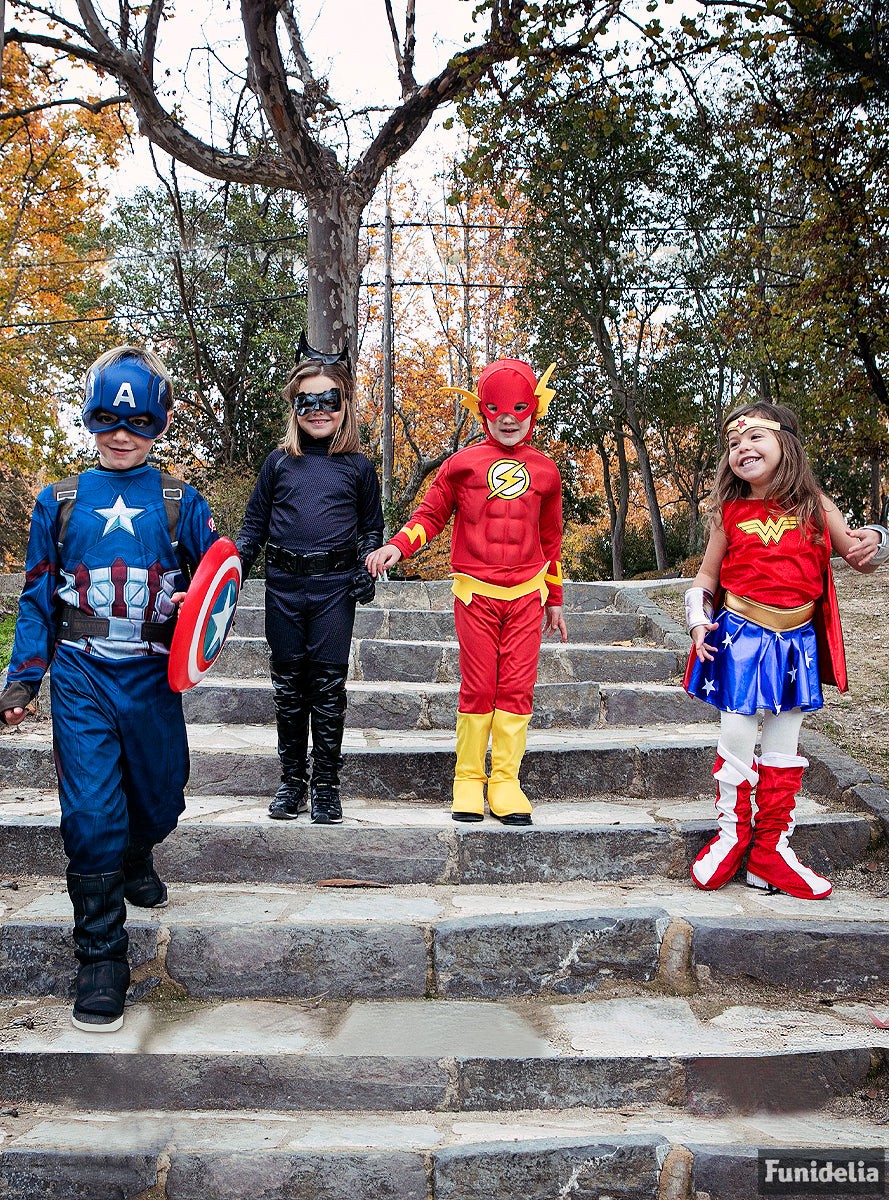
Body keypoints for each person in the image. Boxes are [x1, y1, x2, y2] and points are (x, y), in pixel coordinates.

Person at [0, 346, 220, 1031]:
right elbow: (36, 596)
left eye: (138, 422)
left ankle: (136, 851)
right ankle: (101, 957)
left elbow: (218, 588)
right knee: (91, 816)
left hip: (152, 674)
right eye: (105, 419)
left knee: (161, 798)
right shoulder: (58, 502)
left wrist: (191, 605)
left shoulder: (182, 502)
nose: (120, 435)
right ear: (90, 416)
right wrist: (22, 678)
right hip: (81, 672)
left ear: (162, 420)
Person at [684, 401, 888, 899]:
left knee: (783, 745)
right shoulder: (727, 512)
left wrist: (877, 539)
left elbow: (859, 559)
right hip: (738, 637)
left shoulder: (815, 504)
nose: (742, 449)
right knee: (735, 733)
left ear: (786, 445)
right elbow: (707, 575)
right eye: (733, 443)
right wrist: (696, 618)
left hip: (796, 642)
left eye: (755, 437)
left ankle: (770, 852)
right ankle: (732, 837)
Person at [366, 358, 567, 826]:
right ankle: (468, 779)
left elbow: (551, 539)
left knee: (517, 688)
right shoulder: (461, 465)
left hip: (526, 595)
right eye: (497, 408)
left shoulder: (547, 471)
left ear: (534, 409)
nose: (509, 417)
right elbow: (429, 515)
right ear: (483, 412)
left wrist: (555, 599)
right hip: (475, 594)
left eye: (520, 407)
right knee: (479, 686)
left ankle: (505, 782)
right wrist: (398, 547)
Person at [235, 334, 383, 826]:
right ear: (294, 407)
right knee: (288, 687)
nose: (318, 411)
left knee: (327, 687)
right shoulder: (278, 463)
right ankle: (291, 781)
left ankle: (325, 786)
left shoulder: (360, 468)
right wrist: (230, 572)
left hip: (333, 590)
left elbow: (370, 529)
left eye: (328, 401)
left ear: (344, 406)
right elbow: (254, 525)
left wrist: (367, 567)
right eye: (307, 402)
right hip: (282, 587)